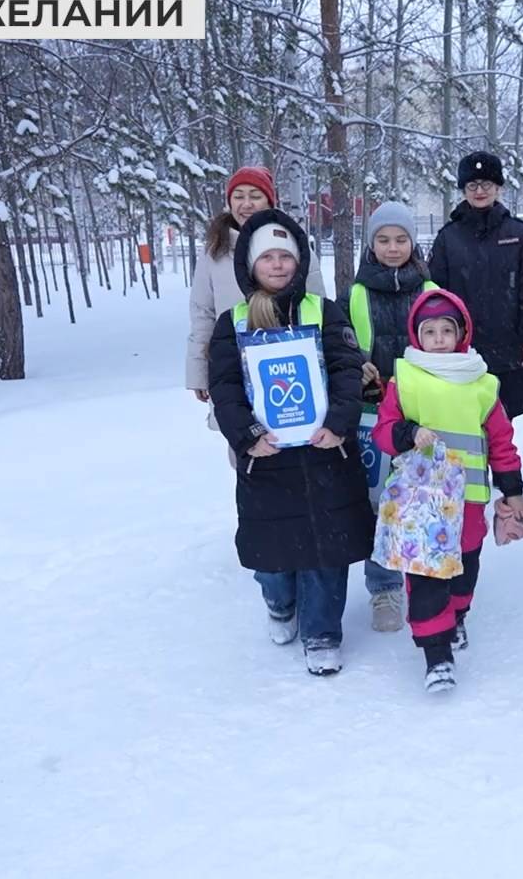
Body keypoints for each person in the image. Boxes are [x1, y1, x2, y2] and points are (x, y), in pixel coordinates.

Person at [207, 209, 373, 677]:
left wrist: (340, 423)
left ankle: (322, 632)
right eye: (268, 257)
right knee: (274, 553)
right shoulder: (233, 321)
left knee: (327, 548)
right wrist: (246, 436)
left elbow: (347, 370)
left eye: (286, 256)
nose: (278, 265)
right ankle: (280, 604)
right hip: (268, 459)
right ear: (250, 265)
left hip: (325, 454)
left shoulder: (323, 311)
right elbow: (224, 387)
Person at [371, 290, 523, 693]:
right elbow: (383, 432)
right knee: (426, 577)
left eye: (447, 330)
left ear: (461, 334)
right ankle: (435, 654)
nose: (438, 338)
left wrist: (512, 489)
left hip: (470, 504)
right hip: (421, 504)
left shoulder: (482, 384)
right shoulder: (405, 379)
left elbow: (502, 442)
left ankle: (456, 618)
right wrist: (407, 433)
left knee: (464, 573)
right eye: (430, 331)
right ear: (417, 335)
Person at [343, 200, 437, 633]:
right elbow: (341, 347)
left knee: (424, 498)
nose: (393, 247)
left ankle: (426, 579)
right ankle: (384, 587)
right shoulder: (357, 293)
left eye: (401, 239)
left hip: (424, 412)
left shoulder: (430, 289)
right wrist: (356, 367)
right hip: (373, 413)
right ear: (371, 244)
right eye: (383, 240)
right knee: (378, 502)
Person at [187, 167, 324, 443]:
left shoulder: (294, 244)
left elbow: (317, 303)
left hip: (290, 367)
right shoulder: (215, 250)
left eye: (255, 196)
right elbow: (203, 314)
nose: (246, 204)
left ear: (270, 202)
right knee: (245, 443)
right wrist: (199, 372)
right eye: (238, 196)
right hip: (234, 366)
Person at [426, 150, 523, 421]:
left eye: (486, 184)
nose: (479, 191)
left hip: (508, 351)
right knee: (462, 425)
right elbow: (433, 294)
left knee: (503, 428)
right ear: (463, 190)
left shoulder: (518, 234)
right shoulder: (448, 238)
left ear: (498, 188)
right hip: (460, 353)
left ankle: (505, 467)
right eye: (472, 185)